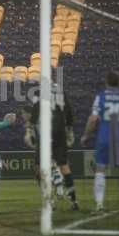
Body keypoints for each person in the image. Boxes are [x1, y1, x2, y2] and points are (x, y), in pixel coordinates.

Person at [27, 82, 79, 210]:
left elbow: (35, 109)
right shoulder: (60, 90)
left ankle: (49, 201)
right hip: (60, 131)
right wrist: (70, 130)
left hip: (46, 131)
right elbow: (68, 111)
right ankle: (74, 201)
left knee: (39, 167)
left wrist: (29, 129)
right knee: (64, 165)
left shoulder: (39, 91)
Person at [81, 71, 119, 213]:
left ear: (106, 82)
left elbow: (93, 119)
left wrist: (86, 135)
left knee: (100, 170)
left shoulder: (101, 96)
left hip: (104, 137)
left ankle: (99, 204)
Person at [22, 105, 65, 202]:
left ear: (28, 113)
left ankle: (52, 195)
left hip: (45, 143)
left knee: (42, 170)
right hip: (49, 143)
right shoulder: (40, 117)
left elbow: (28, 138)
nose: (22, 116)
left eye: (23, 114)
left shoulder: (34, 120)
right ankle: (57, 189)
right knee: (48, 166)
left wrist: (29, 137)